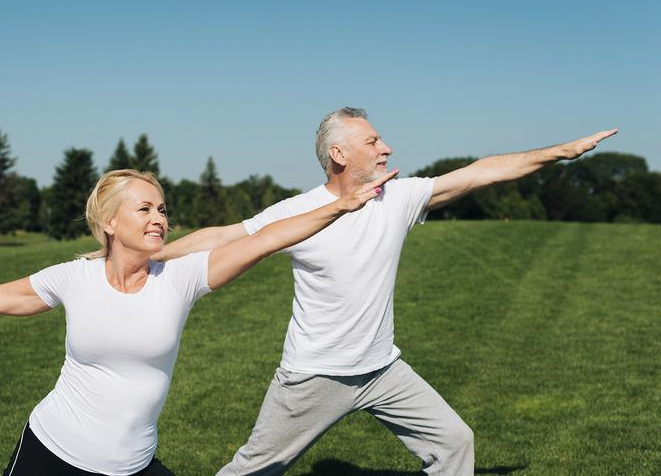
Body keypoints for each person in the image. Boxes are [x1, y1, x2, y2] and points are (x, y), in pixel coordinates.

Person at [152, 108, 618, 475]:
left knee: (455, 443)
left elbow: (481, 173)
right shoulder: (299, 212)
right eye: (373, 141)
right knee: (252, 469)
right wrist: (144, 257)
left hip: (382, 370)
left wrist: (559, 152)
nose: (387, 148)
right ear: (339, 154)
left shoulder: (397, 198)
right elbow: (223, 237)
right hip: (316, 376)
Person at [0, 168, 396, 476]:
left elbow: (266, 239)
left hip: (132, 465)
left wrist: (341, 206)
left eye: (162, 209)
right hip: (51, 452)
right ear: (110, 222)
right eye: (144, 209)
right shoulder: (74, 278)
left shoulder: (182, 277)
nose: (159, 218)